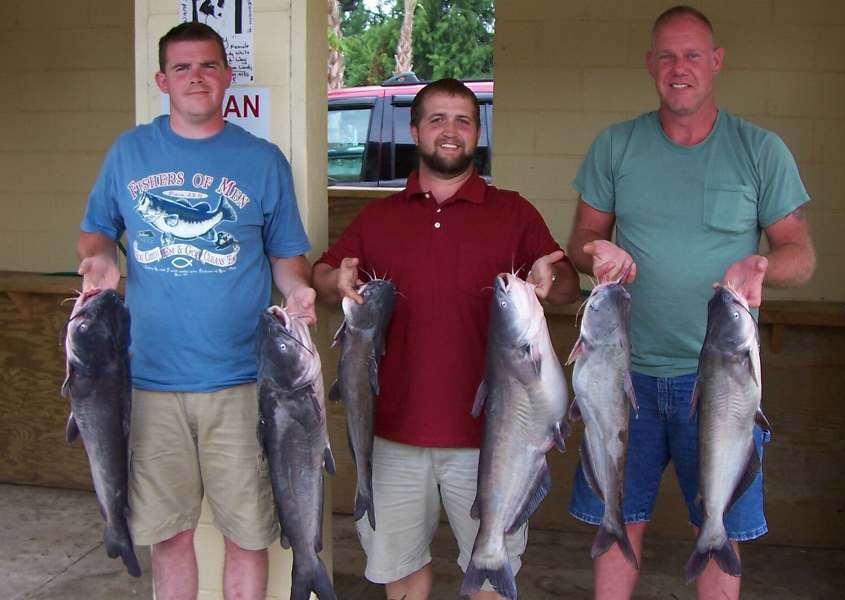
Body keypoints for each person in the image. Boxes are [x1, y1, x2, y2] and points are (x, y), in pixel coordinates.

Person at [566, 5, 816, 599]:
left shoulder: (760, 150)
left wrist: (763, 265)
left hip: (723, 382)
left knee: (719, 530)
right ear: (651, 64)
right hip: (624, 377)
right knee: (619, 521)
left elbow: (800, 255)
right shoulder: (616, 145)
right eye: (668, 56)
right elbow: (579, 239)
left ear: (717, 63)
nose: (680, 69)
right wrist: (595, 250)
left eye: (693, 55)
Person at [313, 78, 580, 600]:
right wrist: (336, 281)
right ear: (414, 131)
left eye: (463, 120)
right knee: (402, 574)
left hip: (494, 439)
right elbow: (325, 280)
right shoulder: (379, 217)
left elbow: (566, 284)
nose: (450, 131)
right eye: (437, 119)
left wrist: (556, 277)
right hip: (393, 436)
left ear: (478, 133)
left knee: (489, 580)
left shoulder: (513, 212)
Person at [77, 22, 316, 600]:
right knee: (170, 537)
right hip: (149, 378)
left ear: (227, 78)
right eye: (182, 67)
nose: (196, 77)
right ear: (162, 80)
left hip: (243, 381)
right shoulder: (129, 152)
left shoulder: (262, 160)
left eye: (208, 65)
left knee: (247, 536)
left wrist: (299, 291)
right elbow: (94, 236)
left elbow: (288, 259)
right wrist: (101, 262)